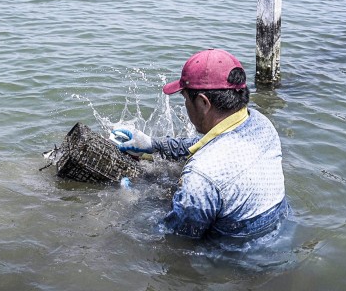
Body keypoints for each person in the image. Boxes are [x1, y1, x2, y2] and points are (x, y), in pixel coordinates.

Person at [112, 49, 288, 240]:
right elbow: (204, 144)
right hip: (280, 226)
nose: (185, 105)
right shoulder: (261, 123)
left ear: (203, 103)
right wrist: (154, 144)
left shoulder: (201, 176)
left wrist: (131, 202)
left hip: (236, 257)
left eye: (186, 99)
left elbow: (174, 239)